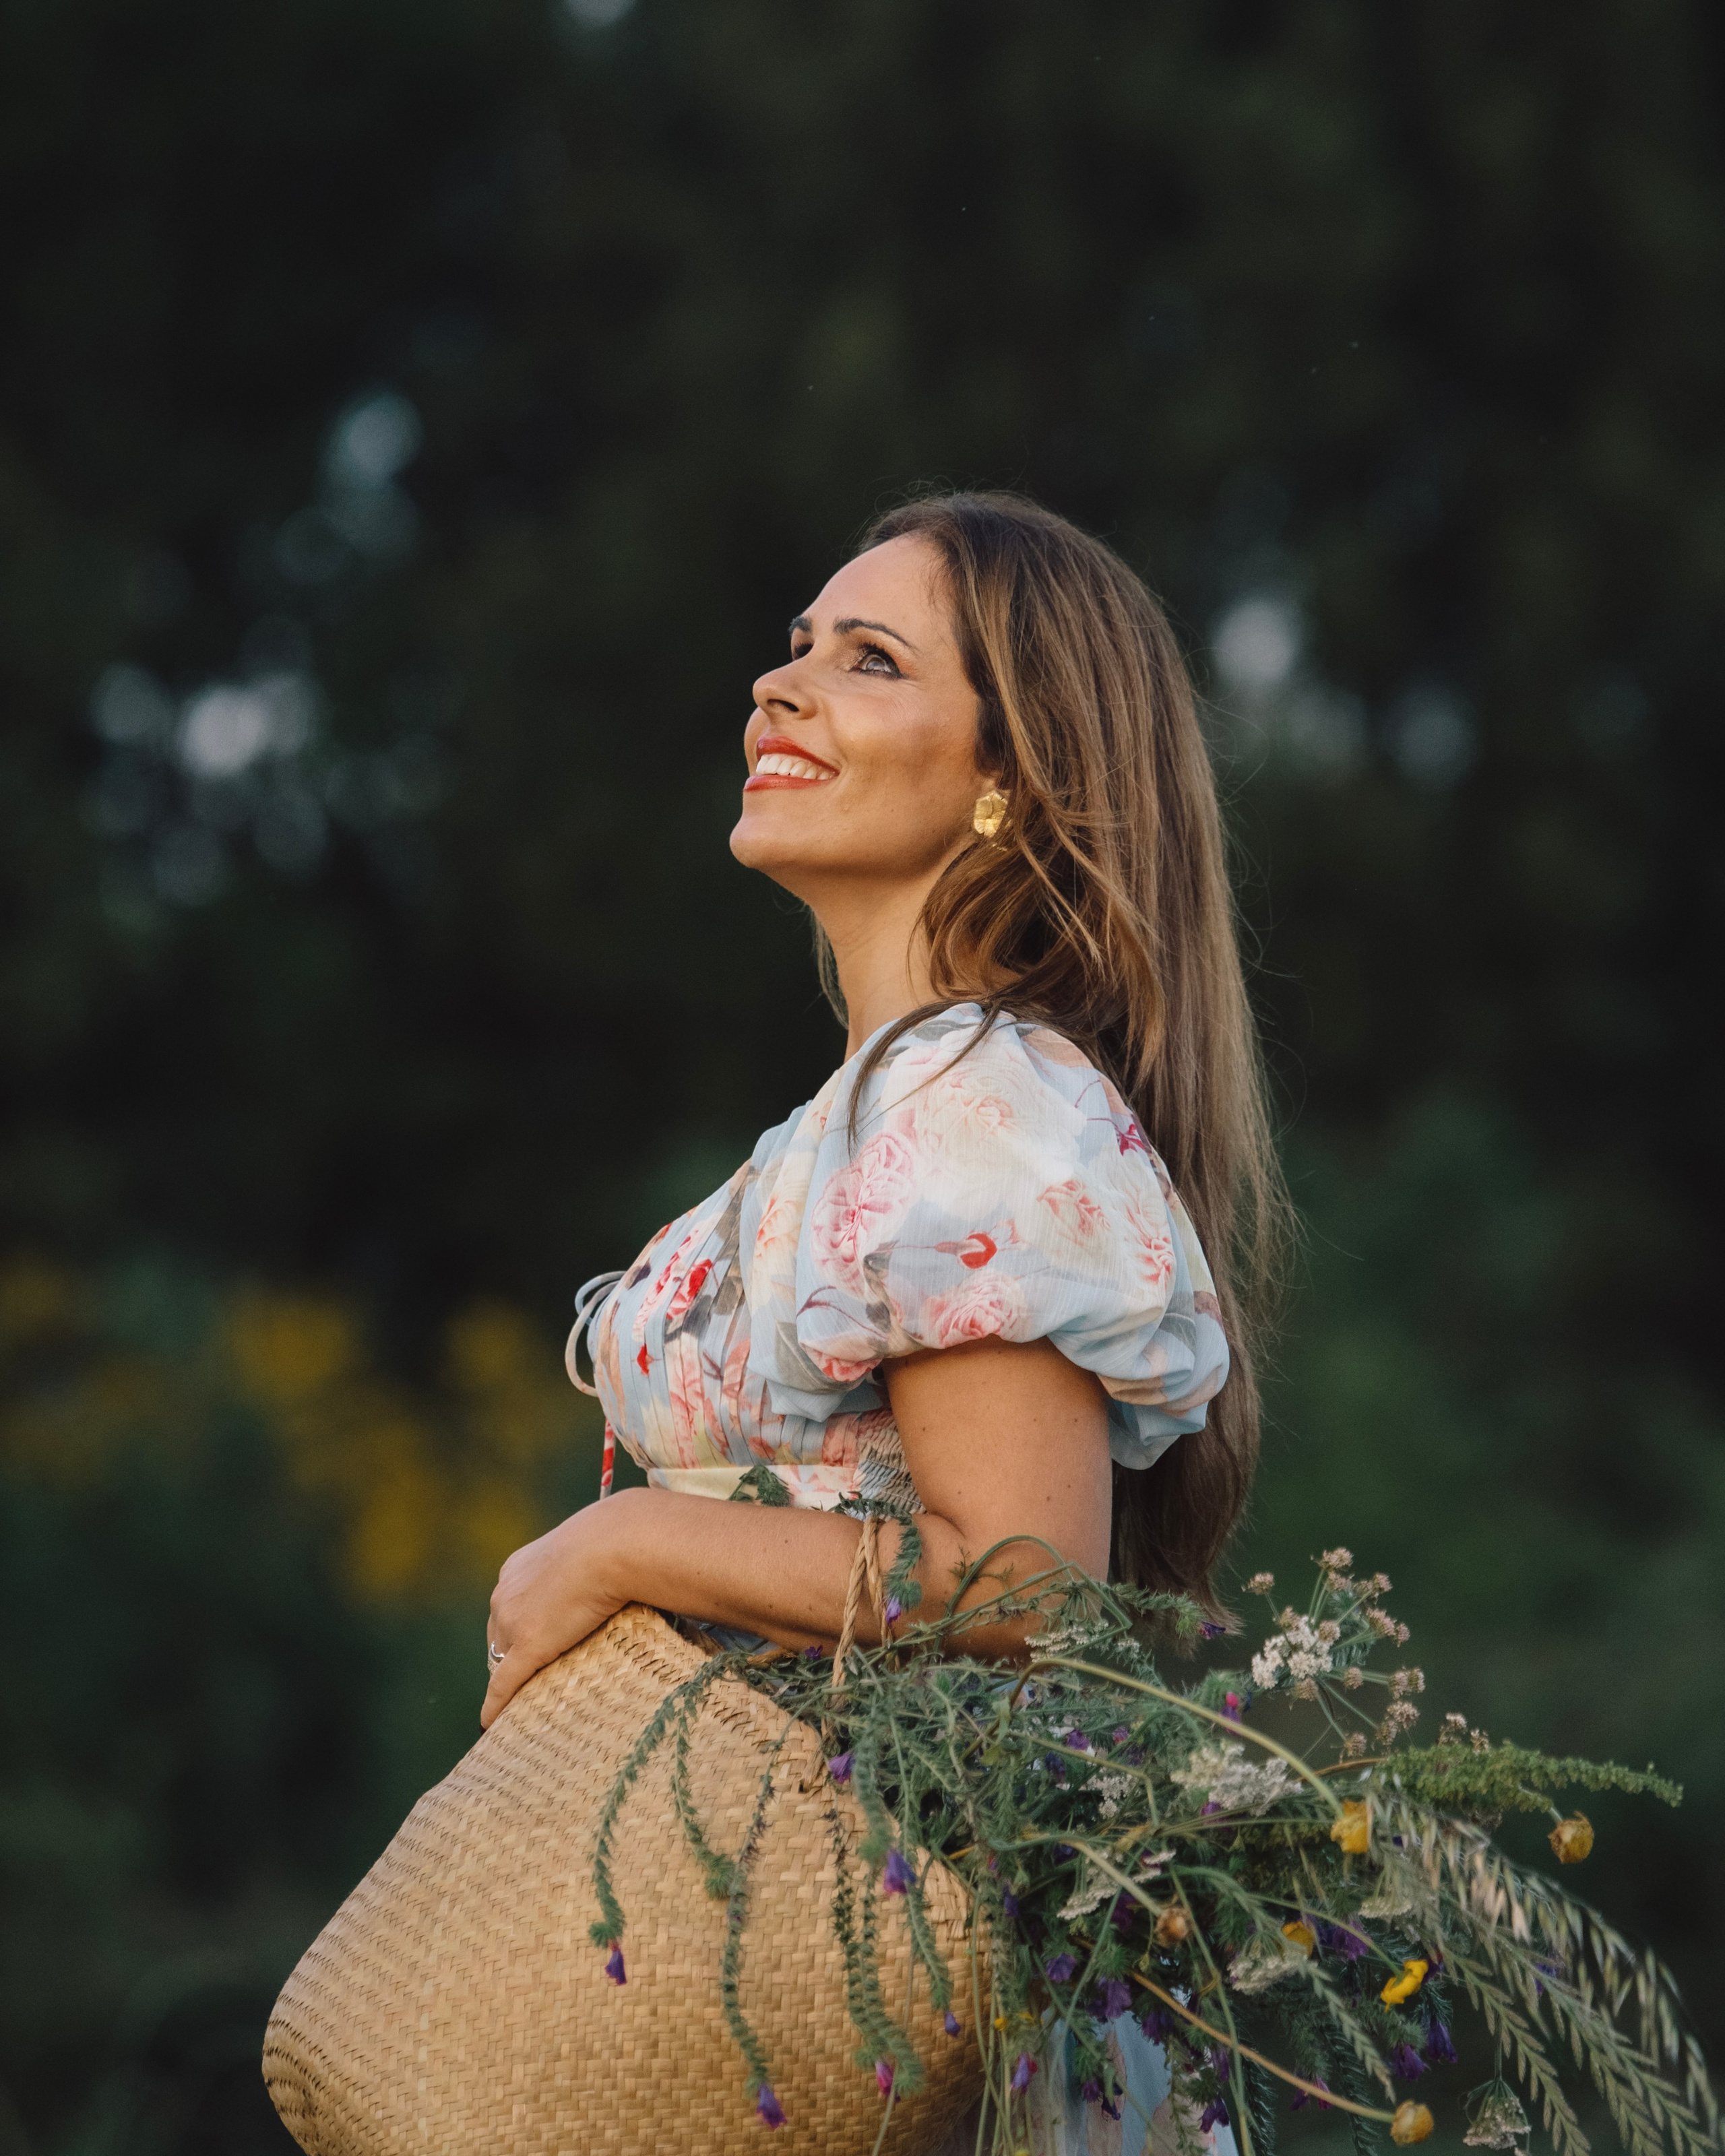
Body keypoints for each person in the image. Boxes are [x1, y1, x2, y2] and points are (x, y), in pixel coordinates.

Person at [483, 490, 1283, 2155]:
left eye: (865, 659)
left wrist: (621, 1543)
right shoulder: (874, 1108)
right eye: (793, 650)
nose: (780, 689)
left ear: (1012, 773)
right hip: (779, 1956)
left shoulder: (975, 1099)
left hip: (892, 1981)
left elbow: (1012, 1578)